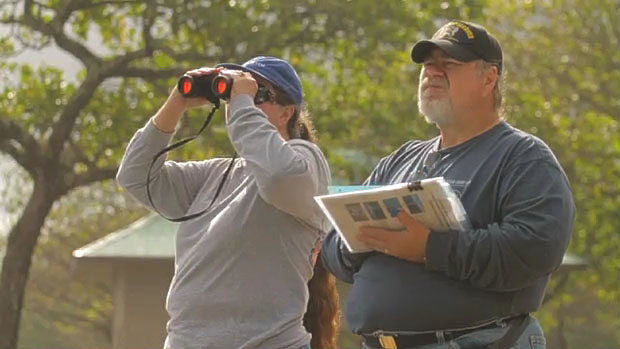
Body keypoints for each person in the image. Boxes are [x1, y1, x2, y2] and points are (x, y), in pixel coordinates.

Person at [321, 20, 575, 349]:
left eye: (449, 64)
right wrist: (364, 239)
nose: (433, 73)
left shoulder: (524, 157)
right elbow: (332, 247)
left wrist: (429, 248)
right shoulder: (401, 159)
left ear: (489, 78)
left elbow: (533, 249)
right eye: (428, 65)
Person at [116, 56, 339, 349]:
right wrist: (176, 103)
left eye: (258, 94)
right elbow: (135, 176)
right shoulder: (216, 174)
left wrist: (243, 105)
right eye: (233, 94)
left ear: (286, 113)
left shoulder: (306, 165)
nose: (238, 102)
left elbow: (276, 177)